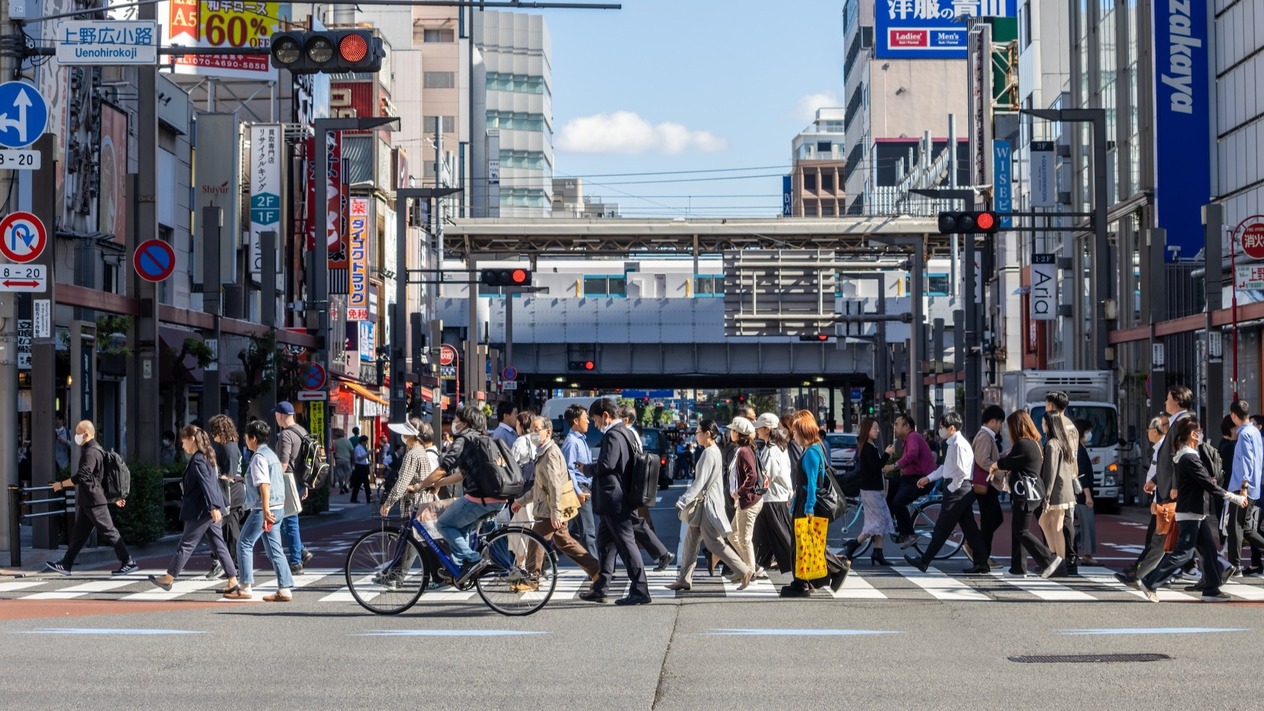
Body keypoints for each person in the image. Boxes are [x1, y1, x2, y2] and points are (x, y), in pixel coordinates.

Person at [1138, 417, 1248, 602]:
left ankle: (1212, 589)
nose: (1202, 434)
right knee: (1184, 553)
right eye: (1199, 431)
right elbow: (1208, 485)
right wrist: (1235, 498)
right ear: (1193, 434)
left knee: (1209, 550)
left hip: (1194, 511)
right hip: (1190, 511)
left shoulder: (1185, 455)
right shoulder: (1189, 457)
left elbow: (1203, 482)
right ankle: (1150, 582)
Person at [404, 406, 507, 584]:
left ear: (464, 424)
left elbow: (443, 468)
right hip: (496, 498)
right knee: (460, 527)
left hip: (479, 499)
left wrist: (420, 485)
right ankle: (460, 568)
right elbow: (462, 474)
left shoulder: (464, 440)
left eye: (456, 420)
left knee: (443, 524)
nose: (453, 423)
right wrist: (438, 484)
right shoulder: (484, 439)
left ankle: (473, 559)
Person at [148, 425, 241, 593]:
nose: (182, 446)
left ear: (192, 439)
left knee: (186, 544)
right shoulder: (206, 456)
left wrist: (213, 506)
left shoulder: (198, 459)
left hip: (202, 510)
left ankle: (169, 578)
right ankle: (233, 580)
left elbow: (207, 484)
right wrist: (215, 506)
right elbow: (211, 483)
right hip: (209, 509)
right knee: (218, 544)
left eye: (183, 442)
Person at [578, 398, 652, 605]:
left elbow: (607, 464)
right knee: (605, 544)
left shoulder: (613, 434)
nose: (595, 424)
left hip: (614, 498)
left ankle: (640, 590)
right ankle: (601, 587)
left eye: (595, 419)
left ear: (605, 416)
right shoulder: (626, 432)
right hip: (620, 496)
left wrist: (586, 468)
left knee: (627, 545)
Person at [43, 420, 138, 576]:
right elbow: (100, 479)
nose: (76, 436)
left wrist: (61, 484)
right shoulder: (96, 450)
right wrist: (113, 499)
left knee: (109, 532)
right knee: (78, 536)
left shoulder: (91, 453)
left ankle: (128, 561)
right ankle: (66, 564)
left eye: (78, 433)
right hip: (89, 501)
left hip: (93, 502)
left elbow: (83, 475)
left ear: (86, 434)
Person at [515, 416, 600, 587]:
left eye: (536, 430)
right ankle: (596, 570)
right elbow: (539, 487)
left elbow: (555, 486)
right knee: (564, 542)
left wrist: (555, 512)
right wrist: (522, 501)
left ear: (548, 432)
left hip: (549, 509)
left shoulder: (550, 453)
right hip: (549, 506)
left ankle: (532, 579)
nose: (533, 434)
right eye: (531, 430)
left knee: (536, 540)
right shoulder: (543, 452)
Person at [669, 419, 752, 591]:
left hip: (707, 506)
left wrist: (683, 500)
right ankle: (684, 579)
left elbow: (700, 482)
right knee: (690, 541)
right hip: (705, 504)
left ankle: (744, 571)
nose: (696, 436)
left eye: (698, 432)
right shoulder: (713, 451)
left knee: (714, 543)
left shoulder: (709, 453)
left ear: (707, 434)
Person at [904, 411, 988, 574]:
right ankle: (981, 562)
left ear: (952, 428)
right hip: (960, 489)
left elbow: (961, 471)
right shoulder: (953, 443)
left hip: (958, 489)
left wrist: (951, 488)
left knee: (942, 526)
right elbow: (945, 468)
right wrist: (929, 478)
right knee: (969, 528)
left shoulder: (958, 445)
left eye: (942, 427)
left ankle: (924, 561)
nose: (940, 430)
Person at [781, 409, 850, 597]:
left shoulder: (811, 452)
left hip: (807, 503)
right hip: (803, 501)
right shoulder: (813, 449)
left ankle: (805, 581)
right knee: (807, 543)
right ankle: (804, 581)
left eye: (796, 432)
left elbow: (812, 483)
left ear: (804, 432)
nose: (794, 436)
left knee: (804, 543)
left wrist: (808, 507)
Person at [224, 419, 294, 602]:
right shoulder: (271, 455)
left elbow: (264, 485)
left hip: (264, 509)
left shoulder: (259, 457)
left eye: (247, 437)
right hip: (278, 507)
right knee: (274, 549)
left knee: (244, 543)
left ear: (253, 438)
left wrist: (264, 509)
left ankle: (245, 586)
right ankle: (284, 589)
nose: (245, 440)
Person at [1132, 386, 1193, 583]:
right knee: (1183, 535)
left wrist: (1174, 485)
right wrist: (1155, 481)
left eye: (1168, 398)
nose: (1166, 402)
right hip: (1170, 487)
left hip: (1176, 489)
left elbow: (1179, 457)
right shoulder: (1177, 421)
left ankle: (1145, 577)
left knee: (1171, 534)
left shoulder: (1184, 421)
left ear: (1177, 400)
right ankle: (1143, 576)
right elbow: (1169, 460)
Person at [992, 410, 1059, 577]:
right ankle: (1017, 568)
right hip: (1032, 491)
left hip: (1026, 493)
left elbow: (1007, 462)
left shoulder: (1023, 444)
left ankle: (1049, 559)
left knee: (1021, 531)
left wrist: (994, 465)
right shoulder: (1034, 442)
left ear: (1016, 427)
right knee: (1018, 530)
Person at [1116, 414, 1171, 585]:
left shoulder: (1163, 449)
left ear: (1155, 431)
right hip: (1163, 501)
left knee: (1160, 540)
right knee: (1161, 541)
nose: (1147, 432)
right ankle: (1143, 573)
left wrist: (1156, 499)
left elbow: (1163, 476)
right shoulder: (1160, 448)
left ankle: (1147, 574)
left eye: (1149, 429)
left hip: (1164, 502)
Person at [842, 417, 894, 566]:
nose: (878, 431)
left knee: (881, 521)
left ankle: (878, 552)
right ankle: (854, 544)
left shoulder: (869, 446)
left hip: (873, 489)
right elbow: (876, 466)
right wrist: (887, 454)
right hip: (871, 490)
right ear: (867, 430)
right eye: (874, 428)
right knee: (876, 522)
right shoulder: (867, 448)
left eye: (878, 428)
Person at [883, 414, 936, 546]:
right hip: (910, 478)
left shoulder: (913, 437)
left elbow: (912, 455)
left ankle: (909, 534)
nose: (894, 427)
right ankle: (892, 523)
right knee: (890, 485)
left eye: (897, 424)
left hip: (921, 479)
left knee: (898, 502)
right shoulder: (907, 440)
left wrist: (893, 466)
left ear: (906, 426)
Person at [752, 413, 794, 577]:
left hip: (773, 499)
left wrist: (755, 489)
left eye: (759, 428)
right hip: (776, 498)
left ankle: (813, 567)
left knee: (784, 538)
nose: (757, 431)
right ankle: (757, 566)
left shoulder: (771, 450)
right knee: (764, 536)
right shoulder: (780, 447)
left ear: (767, 429)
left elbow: (767, 476)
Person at [272, 402, 312, 575]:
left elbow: (283, 462)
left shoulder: (286, 434)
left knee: (287, 521)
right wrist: (306, 484)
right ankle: (300, 551)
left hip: (287, 481)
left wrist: (273, 482)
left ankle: (296, 560)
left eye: (276, 415)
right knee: (285, 520)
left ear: (280, 415)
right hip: (300, 481)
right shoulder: (302, 431)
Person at [1037, 410, 1078, 571]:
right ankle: (1055, 557)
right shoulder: (1063, 442)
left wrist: (1046, 497)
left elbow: (1050, 472)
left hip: (1056, 492)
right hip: (1064, 490)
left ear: (1048, 424)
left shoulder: (1052, 445)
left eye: (1043, 422)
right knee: (1046, 523)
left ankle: (1059, 561)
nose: (1042, 425)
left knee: (1056, 526)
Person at [206, 414, 245, 579]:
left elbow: (229, 475)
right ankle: (229, 565)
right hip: (232, 493)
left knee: (229, 532)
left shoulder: (228, 448)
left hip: (231, 494)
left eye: (214, 431)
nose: (212, 435)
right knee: (226, 530)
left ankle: (233, 566)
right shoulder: (231, 445)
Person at [1227, 400, 1264, 575]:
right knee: (1245, 527)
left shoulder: (1244, 434)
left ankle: (1234, 566)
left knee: (1235, 526)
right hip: (1253, 486)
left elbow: (1247, 460)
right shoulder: (1255, 431)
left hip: (1243, 486)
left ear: (1234, 415)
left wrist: (1244, 485)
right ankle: (1234, 565)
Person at [970, 405, 1007, 568]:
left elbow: (988, 458)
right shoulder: (985, 436)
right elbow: (982, 460)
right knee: (989, 521)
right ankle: (982, 556)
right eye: (1000, 423)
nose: (1000, 427)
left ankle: (977, 549)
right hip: (986, 485)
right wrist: (999, 473)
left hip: (987, 484)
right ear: (993, 421)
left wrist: (1003, 456)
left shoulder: (986, 436)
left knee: (994, 519)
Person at [726, 416, 763, 576]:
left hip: (748, 501)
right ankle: (748, 567)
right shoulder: (743, 450)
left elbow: (752, 475)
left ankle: (749, 572)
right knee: (732, 535)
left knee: (744, 538)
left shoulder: (744, 451)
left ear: (737, 433)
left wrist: (740, 492)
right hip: (745, 501)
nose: (730, 432)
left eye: (732, 430)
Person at [379, 418, 435, 521]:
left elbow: (402, 482)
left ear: (410, 435)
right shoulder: (422, 451)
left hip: (413, 505)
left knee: (410, 530)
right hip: (424, 502)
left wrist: (388, 503)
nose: (402, 435)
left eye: (404, 433)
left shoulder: (411, 455)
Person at [561, 404, 598, 557]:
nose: (588, 421)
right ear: (576, 421)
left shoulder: (581, 440)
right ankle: (595, 567)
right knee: (588, 532)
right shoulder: (572, 442)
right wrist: (577, 492)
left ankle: (548, 556)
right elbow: (568, 470)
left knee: (576, 532)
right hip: (580, 490)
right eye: (585, 418)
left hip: (587, 488)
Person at [1074, 419, 1100, 566]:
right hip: (1082, 495)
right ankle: (1087, 555)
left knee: (1080, 525)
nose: (1090, 434)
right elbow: (1082, 475)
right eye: (1088, 431)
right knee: (1087, 524)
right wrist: (1088, 496)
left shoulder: (1080, 449)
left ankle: (1075, 547)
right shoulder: (1080, 451)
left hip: (1078, 494)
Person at [349, 434, 373, 503]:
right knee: (358, 483)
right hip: (360, 466)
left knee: (366, 483)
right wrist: (367, 453)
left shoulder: (362, 448)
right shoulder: (358, 448)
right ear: (363, 441)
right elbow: (359, 458)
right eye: (366, 441)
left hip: (364, 466)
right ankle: (354, 498)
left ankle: (369, 498)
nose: (366, 443)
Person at [332, 428, 353, 494]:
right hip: (347, 460)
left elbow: (333, 452)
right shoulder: (348, 441)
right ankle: (345, 484)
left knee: (340, 475)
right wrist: (353, 459)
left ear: (337, 435)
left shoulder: (335, 442)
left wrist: (335, 459)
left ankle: (341, 488)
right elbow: (352, 450)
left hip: (338, 460)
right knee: (348, 473)